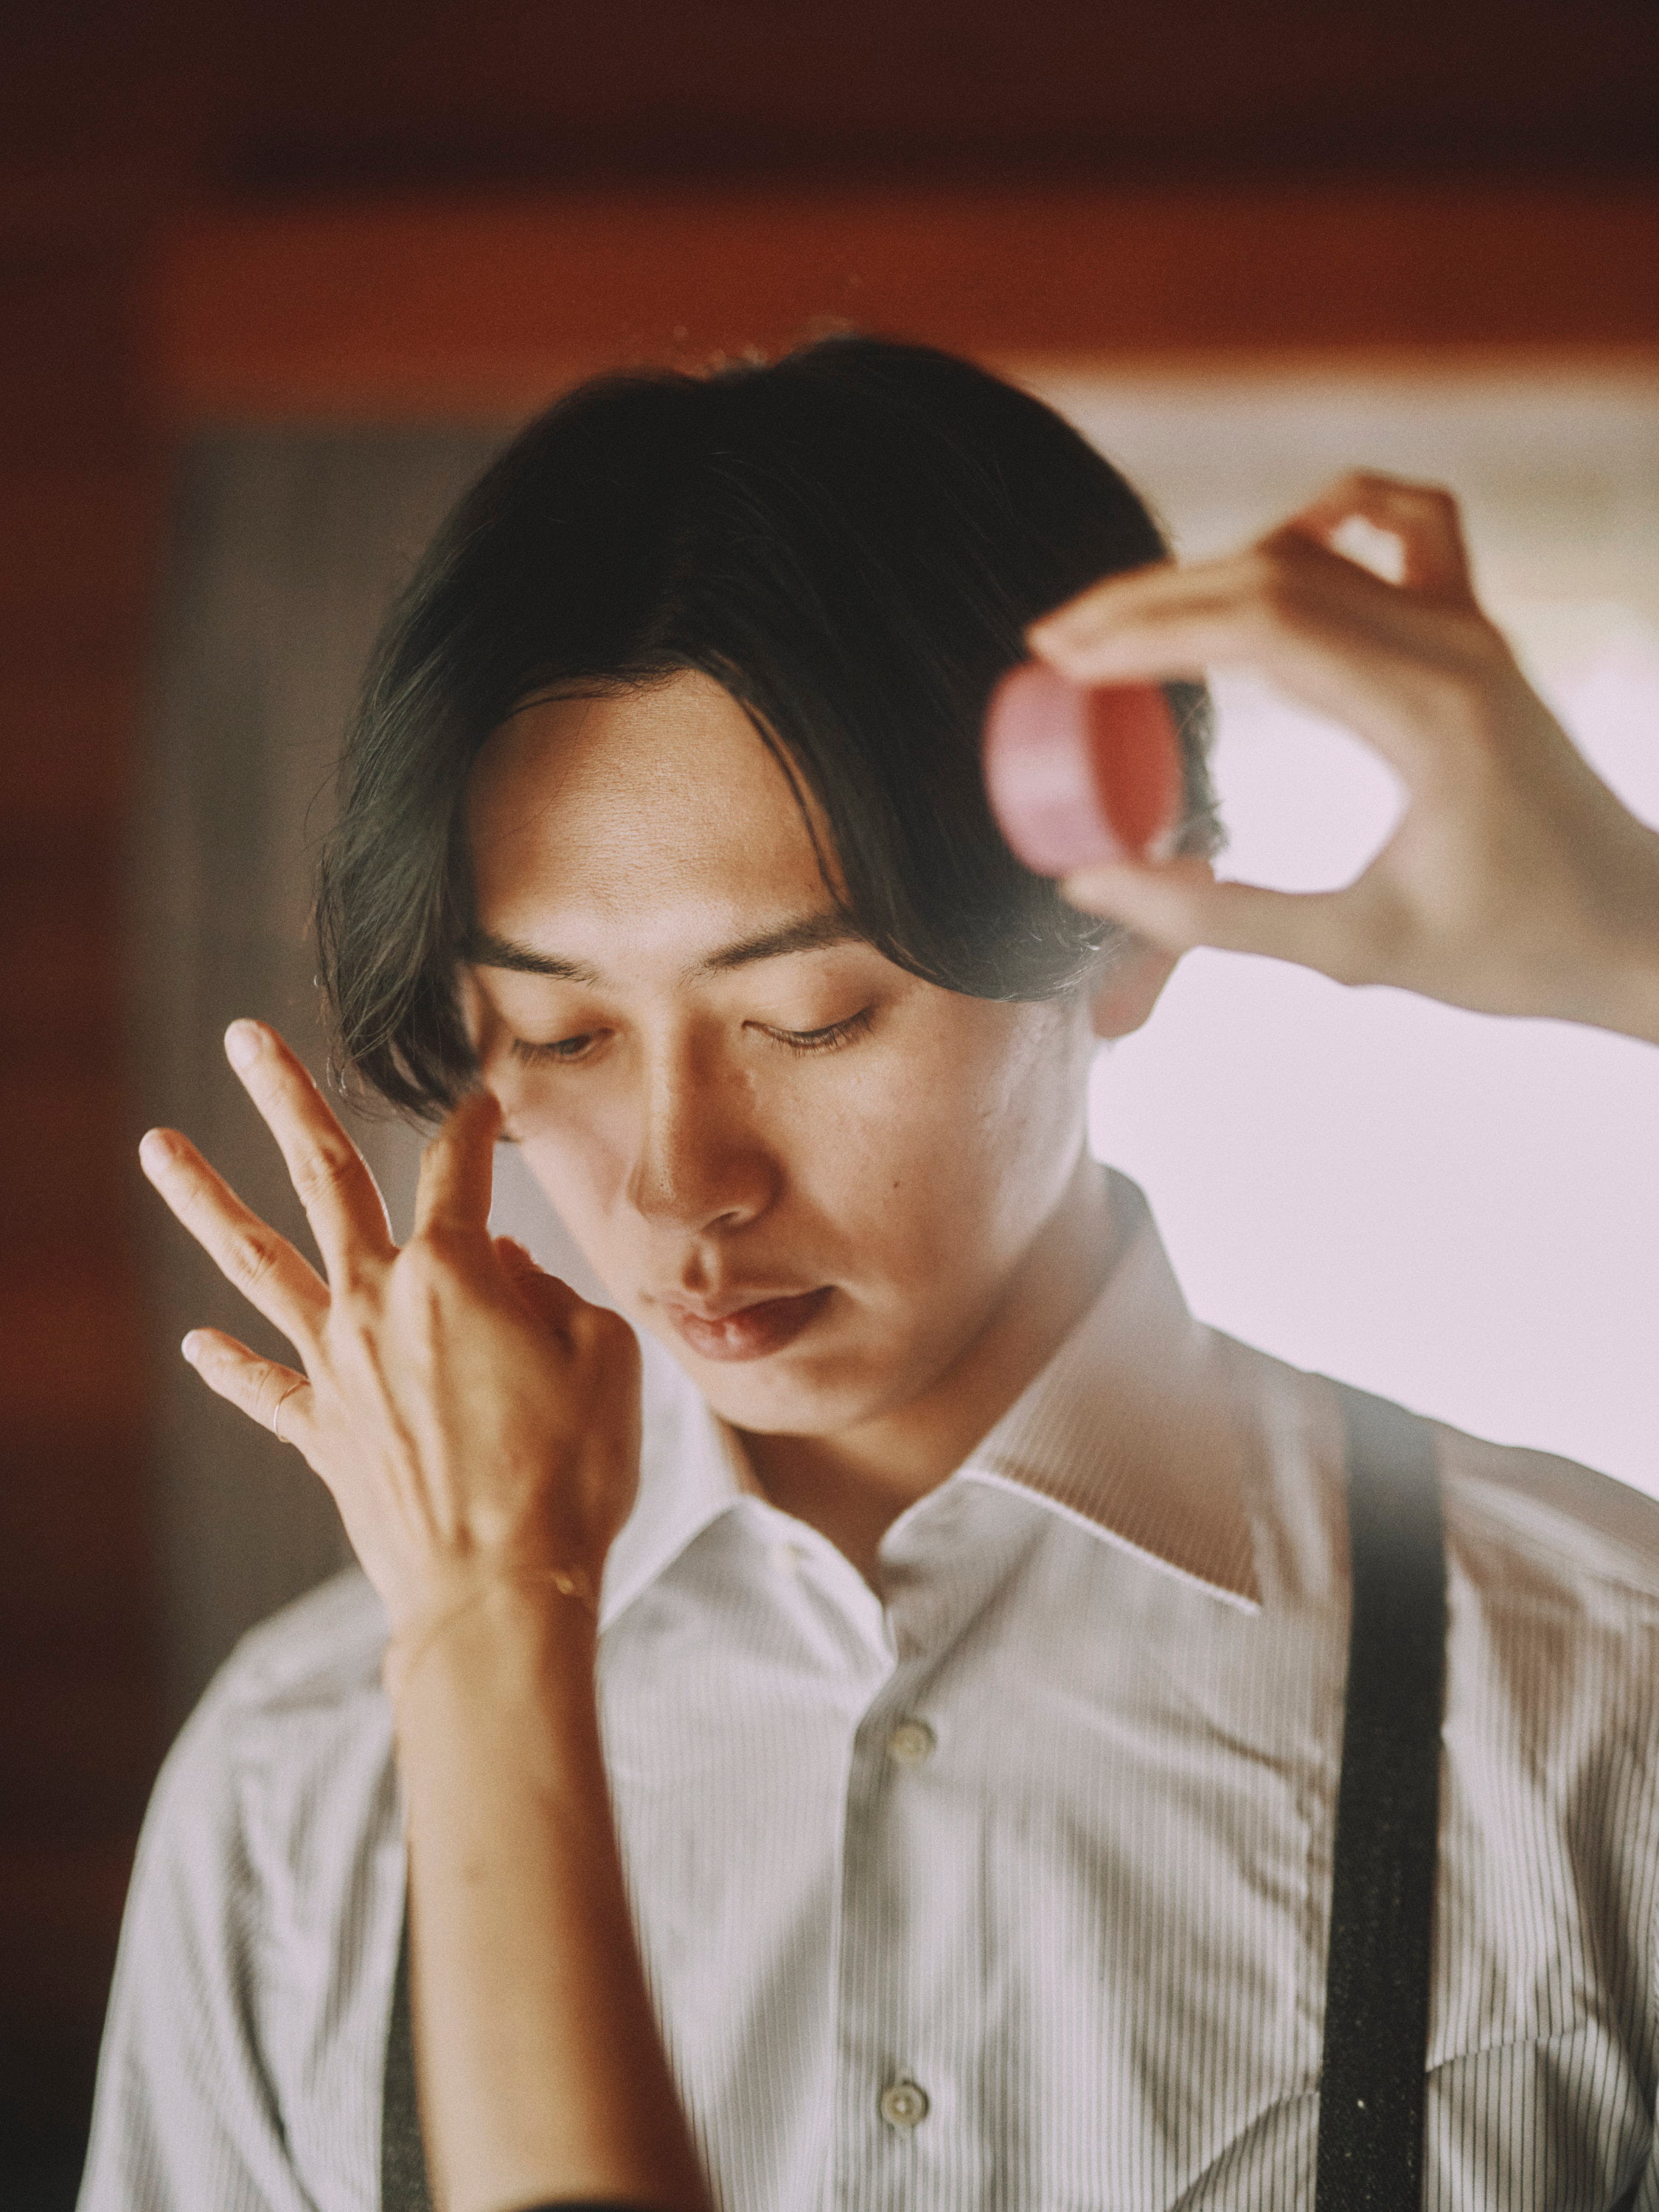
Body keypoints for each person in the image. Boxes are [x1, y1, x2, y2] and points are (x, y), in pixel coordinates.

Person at [83, 340, 1659, 2212]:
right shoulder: (294, 1788)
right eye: (560, 1037)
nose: (682, 1185)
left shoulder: (1598, 1703)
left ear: (1132, 936)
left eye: (811, 1017)